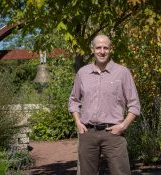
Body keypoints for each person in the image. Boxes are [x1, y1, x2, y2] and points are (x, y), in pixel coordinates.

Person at [68, 34, 140, 175]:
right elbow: (74, 100)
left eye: (105, 48)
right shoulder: (83, 73)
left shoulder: (122, 73)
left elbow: (135, 104)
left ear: (110, 49)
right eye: (98, 47)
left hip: (114, 134)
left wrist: (123, 126)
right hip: (88, 133)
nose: (102, 51)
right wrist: (78, 122)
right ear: (93, 49)